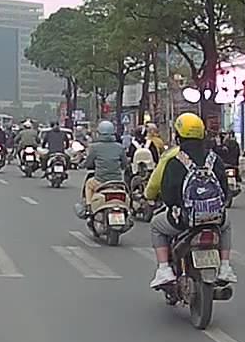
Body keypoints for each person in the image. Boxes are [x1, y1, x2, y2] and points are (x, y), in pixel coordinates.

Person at [144, 112, 236, 288]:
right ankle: (225, 266)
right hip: (215, 219)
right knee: (227, 224)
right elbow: (225, 191)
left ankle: (164, 269)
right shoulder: (214, 159)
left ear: (178, 136)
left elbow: (169, 196)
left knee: (156, 225)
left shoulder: (175, 161)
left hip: (185, 220)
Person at [80, 120, 128, 215]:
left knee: (89, 184)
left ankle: (89, 208)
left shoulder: (94, 147)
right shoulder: (119, 147)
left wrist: (83, 165)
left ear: (99, 133)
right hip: (117, 182)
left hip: (100, 181)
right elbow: (124, 164)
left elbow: (88, 163)